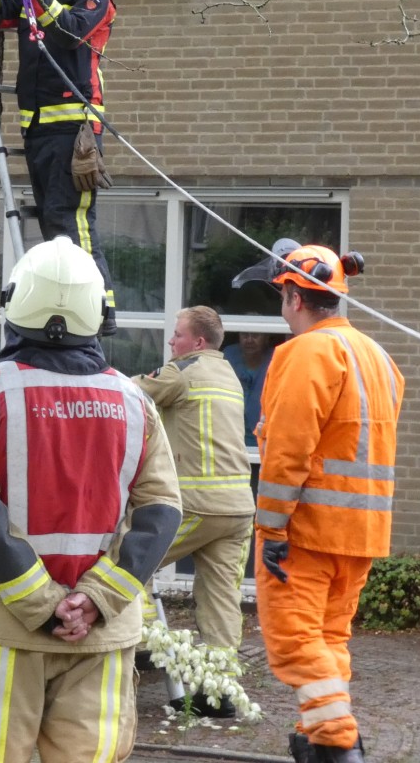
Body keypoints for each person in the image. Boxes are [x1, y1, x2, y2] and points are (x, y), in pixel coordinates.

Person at [0, 235, 181, 763]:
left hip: (5, 626)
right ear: (98, 312)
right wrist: (95, 601)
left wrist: (44, 605)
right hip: (100, 634)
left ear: (15, 307)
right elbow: (161, 512)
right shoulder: (135, 401)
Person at [249, 243, 404, 763]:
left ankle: (337, 745)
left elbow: (290, 450)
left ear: (294, 297)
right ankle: (316, 740)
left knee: (295, 644)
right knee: (329, 640)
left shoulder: (307, 354)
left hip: (307, 531)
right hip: (361, 533)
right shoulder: (377, 356)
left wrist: (270, 530)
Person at [0, 0, 120, 333]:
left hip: (76, 130)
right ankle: (70, 307)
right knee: (55, 225)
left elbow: (69, 33)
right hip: (36, 129)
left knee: (73, 222)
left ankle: (102, 311)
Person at [132, 306, 254, 718]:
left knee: (126, 555)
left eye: (177, 334)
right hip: (237, 509)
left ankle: (145, 645)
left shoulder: (182, 371)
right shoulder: (228, 375)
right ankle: (217, 695)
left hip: (197, 504)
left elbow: (128, 396)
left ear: (197, 342)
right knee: (221, 600)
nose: (171, 342)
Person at [223, 331, 276, 452]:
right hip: (232, 433)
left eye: (256, 335)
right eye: (244, 335)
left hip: (263, 433)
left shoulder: (275, 357)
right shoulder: (229, 355)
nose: (249, 340)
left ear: (266, 338)